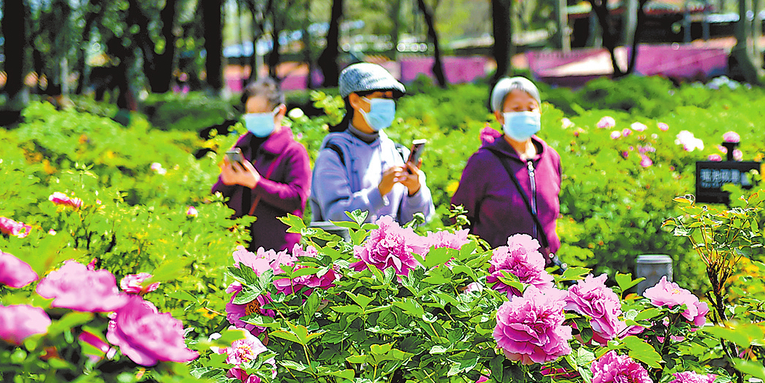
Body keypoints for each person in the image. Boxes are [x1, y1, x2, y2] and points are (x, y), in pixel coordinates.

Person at [451, 76, 563, 269]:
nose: (525, 113)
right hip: (496, 277)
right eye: (516, 109)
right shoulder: (484, 161)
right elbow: (459, 216)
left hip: (543, 274)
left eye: (530, 107)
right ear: (500, 116)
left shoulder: (550, 157)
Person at [310, 63, 433, 226]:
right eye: (382, 96)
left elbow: (416, 221)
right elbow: (335, 217)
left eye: (391, 98)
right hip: (348, 252)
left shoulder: (396, 152)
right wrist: (379, 191)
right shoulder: (334, 154)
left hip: (390, 252)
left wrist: (415, 191)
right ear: (355, 100)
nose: (389, 103)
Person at [212, 78, 311, 252]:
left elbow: (296, 199)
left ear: (279, 111)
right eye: (251, 112)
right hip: (239, 247)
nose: (255, 117)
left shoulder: (294, 151)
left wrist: (257, 183)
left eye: (261, 112)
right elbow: (216, 196)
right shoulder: (242, 147)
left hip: (280, 251)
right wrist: (225, 181)